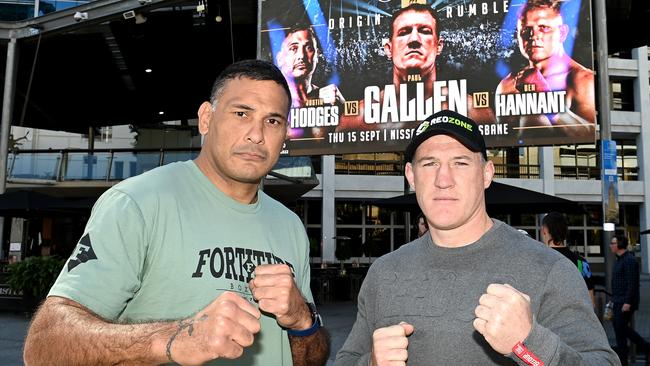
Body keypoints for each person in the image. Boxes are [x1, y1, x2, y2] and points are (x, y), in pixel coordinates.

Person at [23, 60, 329, 366]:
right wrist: (172, 339)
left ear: (285, 133)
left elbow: (311, 360)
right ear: (207, 119)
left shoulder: (290, 226)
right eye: (241, 113)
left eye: (272, 121)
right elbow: (44, 346)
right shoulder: (138, 203)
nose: (256, 134)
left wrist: (302, 320)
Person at [335, 109, 618, 365]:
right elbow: (346, 359)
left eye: (460, 163)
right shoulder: (383, 273)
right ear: (411, 175)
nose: (443, 179)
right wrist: (370, 363)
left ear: (486, 174)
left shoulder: (549, 269)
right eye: (429, 163)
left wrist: (529, 344)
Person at [337, 3, 493, 132]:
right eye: (404, 32)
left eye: (424, 31)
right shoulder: (357, 118)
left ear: (439, 46)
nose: (414, 39)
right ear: (388, 49)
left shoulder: (474, 112)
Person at [495, 0, 595, 140]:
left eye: (544, 27)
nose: (534, 36)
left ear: (562, 33)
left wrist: (546, 100)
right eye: (526, 30)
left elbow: (591, 133)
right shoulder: (508, 85)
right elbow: (502, 138)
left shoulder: (583, 79)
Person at [276, 25, 344, 108]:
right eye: (293, 48)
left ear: (317, 55)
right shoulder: (271, 98)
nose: (301, 55)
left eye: (309, 48)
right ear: (279, 59)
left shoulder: (329, 96)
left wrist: (342, 106)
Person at [610, 234, 650, 366]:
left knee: (621, 328)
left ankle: (646, 347)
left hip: (624, 302)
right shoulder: (619, 260)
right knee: (619, 332)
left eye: (613, 243)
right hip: (618, 300)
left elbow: (632, 284)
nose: (611, 245)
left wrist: (627, 302)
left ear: (620, 245)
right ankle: (623, 361)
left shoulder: (629, 260)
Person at [541, 212, 595, 305]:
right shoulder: (581, 263)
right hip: (576, 316)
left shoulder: (539, 260)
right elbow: (591, 302)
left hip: (547, 317)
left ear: (544, 230)